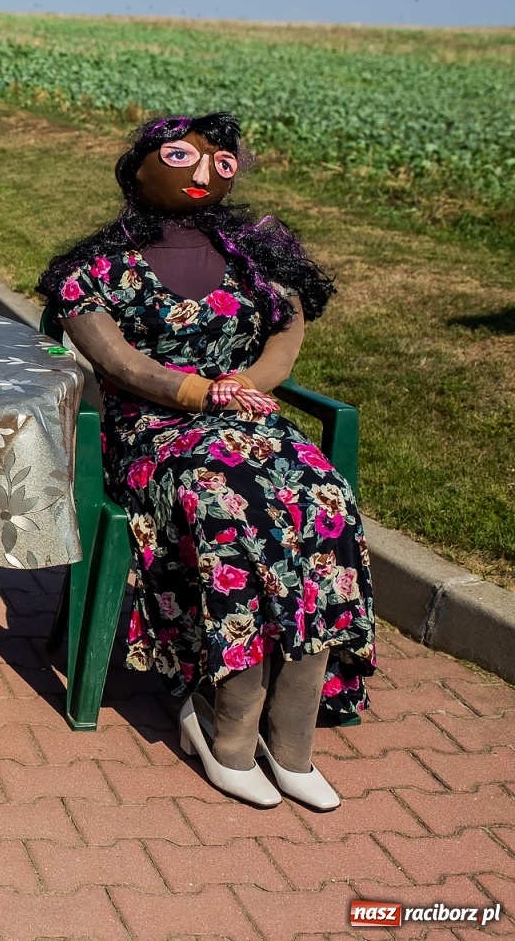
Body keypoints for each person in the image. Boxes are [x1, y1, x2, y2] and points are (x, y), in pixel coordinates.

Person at [38, 112, 375, 811]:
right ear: (139, 167)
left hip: (246, 419)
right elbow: (117, 362)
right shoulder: (95, 270)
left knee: (325, 500)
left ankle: (292, 733)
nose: (201, 172)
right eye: (181, 156)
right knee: (225, 505)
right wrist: (196, 391)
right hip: (152, 431)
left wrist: (244, 385)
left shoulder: (256, 258)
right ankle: (227, 721)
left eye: (220, 162)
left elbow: (286, 335)